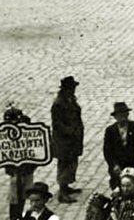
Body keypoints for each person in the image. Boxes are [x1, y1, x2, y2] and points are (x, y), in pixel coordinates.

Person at [103, 102, 134, 190]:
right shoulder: (110, 130)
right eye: (120, 116)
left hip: (131, 161)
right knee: (118, 185)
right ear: (115, 117)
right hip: (118, 163)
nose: (122, 118)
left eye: (124, 115)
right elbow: (107, 150)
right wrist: (113, 165)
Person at [51, 76, 84, 204]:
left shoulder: (70, 100)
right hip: (64, 141)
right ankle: (62, 192)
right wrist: (71, 131)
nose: (74, 90)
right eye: (72, 88)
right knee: (64, 163)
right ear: (66, 89)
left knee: (72, 162)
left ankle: (66, 186)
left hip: (73, 139)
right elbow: (57, 124)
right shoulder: (58, 104)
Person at [2, 105, 37, 219]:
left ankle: (19, 215)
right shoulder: (4, 132)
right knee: (15, 197)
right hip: (15, 170)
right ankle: (14, 217)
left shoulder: (28, 129)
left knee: (24, 194)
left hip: (26, 168)